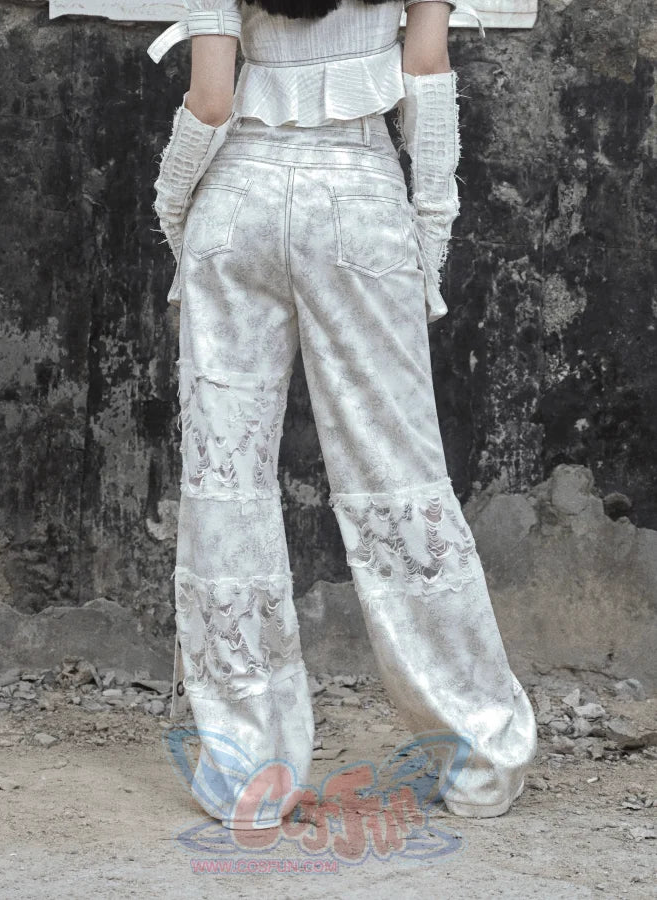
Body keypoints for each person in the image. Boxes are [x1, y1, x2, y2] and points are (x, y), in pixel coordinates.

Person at [148, 0, 538, 829]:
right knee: (397, 479)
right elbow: (424, 74)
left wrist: (176, 216)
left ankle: (246, 775)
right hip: (359, 193)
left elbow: (210, 102)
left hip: (235, 197)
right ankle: (478, 757)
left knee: (225, 486)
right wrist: (428, 236)